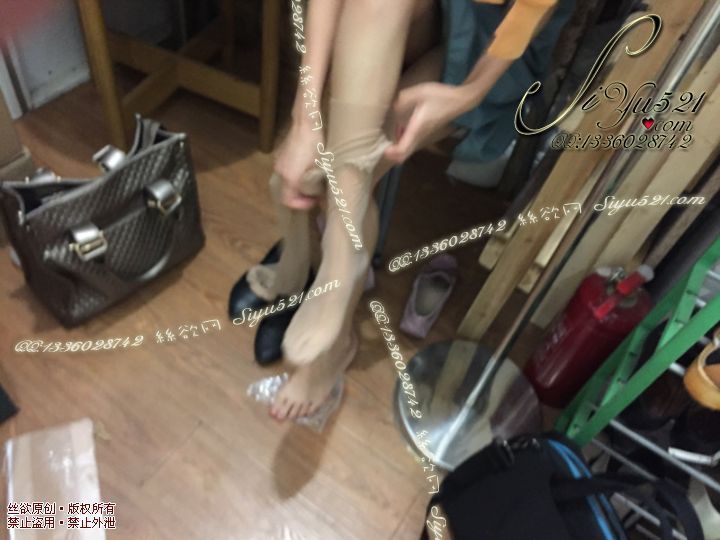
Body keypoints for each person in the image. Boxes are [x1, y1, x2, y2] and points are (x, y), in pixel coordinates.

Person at [230, 0, 574, 421]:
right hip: (407, 17)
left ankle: (326, 285)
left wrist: (467, 95)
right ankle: (328, 258)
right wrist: (304, 119)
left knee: (333, 166)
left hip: (493, 46)